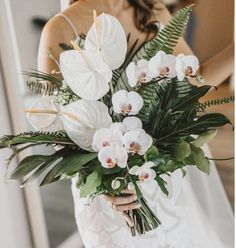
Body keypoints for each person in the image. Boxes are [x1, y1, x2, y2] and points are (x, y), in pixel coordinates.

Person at [38, 1, 234, 247]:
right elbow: (55, 125)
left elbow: (194, 82)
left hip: (161, 181)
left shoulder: (153, 9)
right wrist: (108, 183)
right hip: (114, 195)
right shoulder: (60, 28)